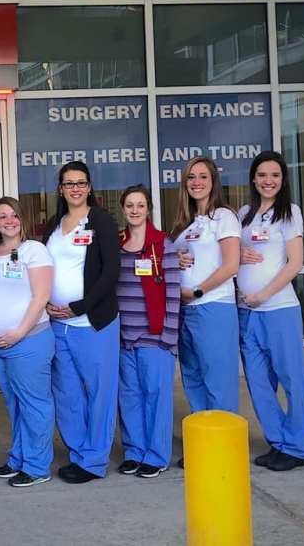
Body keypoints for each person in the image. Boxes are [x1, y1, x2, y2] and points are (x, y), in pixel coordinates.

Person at [45, 160, 120, 484]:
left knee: (100, 392)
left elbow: (110, 272)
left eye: (81, 182)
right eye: (68, 183)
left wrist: (79, 307)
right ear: (60, 189)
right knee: (67, 393)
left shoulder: (101, 221)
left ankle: (94, 460)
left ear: (89, 187)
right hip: (57, 326)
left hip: (93, 323)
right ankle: (78, 452)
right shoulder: (53, 223)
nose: (75, 188)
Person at [237, 151, 304, 471]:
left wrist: (263, 295)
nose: (269, 181)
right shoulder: (243, 213)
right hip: (247, 312)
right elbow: (229, 252)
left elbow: (294, 262)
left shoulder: (290, 213)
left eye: (275, 175)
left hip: (278, 308)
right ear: (253, 179)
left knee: (292, 378)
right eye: (263, 175)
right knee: (258, 381)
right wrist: (239, 251)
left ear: (282, 180)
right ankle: (277, 441)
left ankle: (296, 446)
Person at [0, 197, 55, 487]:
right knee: (14, 404)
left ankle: (37, 466)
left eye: (14, 215)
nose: (9, 221)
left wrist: (19, 332)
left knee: (34, 403)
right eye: (3, 216)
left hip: (29, 340)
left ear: (22, 219)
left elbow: (41, 297)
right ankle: (19, 458)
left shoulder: (33, 250)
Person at [116, 185, 181, 479]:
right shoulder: (117, 244)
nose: (134, 210)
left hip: (155, 337)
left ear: (148, 209)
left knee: (155, 396)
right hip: (124, 336)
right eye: (129, 205)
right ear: (123, 209)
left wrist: (167, 337)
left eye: (140, 205)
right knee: (129, 396)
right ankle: (134, 451)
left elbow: (173, 292)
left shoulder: (162, 244)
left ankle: (155, 455)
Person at [171, 157, 240, 420]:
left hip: (213, 307)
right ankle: (204, 446)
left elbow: (231, 265)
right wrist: (174, 259)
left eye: (202, 177)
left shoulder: (223, 216)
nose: (196, 182)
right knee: (194, 378)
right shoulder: (185, 223)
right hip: (186, 311)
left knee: (218, 379)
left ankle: (222, 452)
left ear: (213, 182)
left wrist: (197, 290)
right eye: (191, 177)